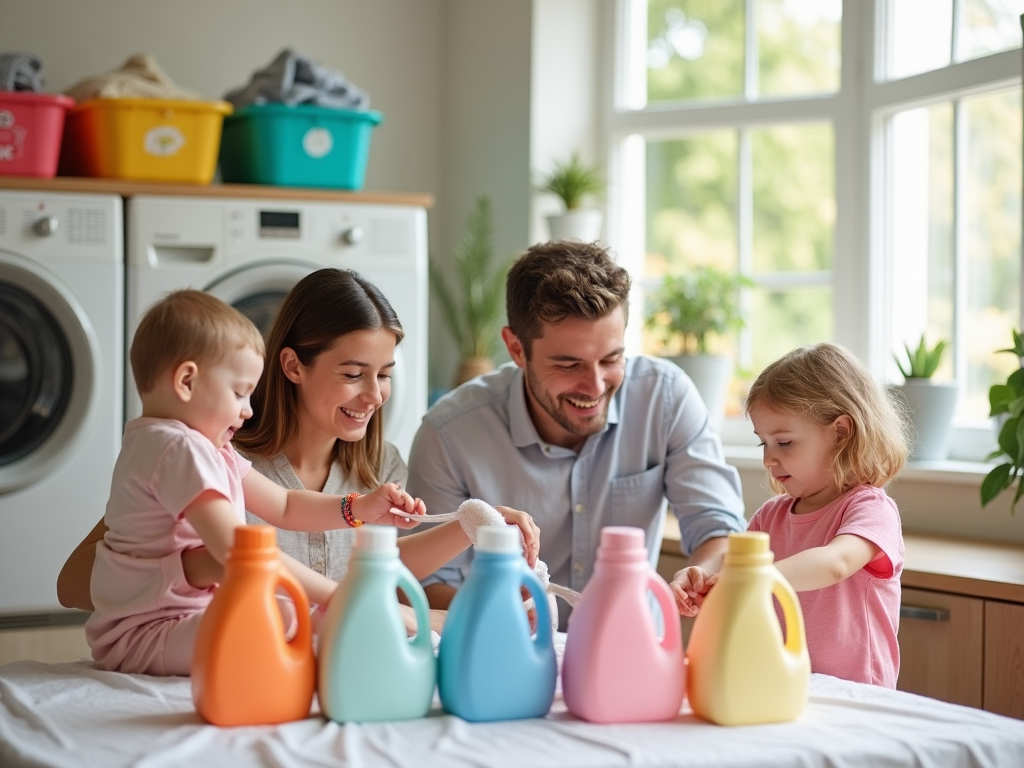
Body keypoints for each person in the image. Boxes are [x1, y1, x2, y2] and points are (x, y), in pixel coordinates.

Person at [58, 270, 539, 634]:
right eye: (353, 374)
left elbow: (376, 570)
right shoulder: (213, 454)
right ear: (292, 366)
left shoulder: (379, 466)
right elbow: (74, 583)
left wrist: (472, 523)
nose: (375, 395)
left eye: (385, 373)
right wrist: (197, 566)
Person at [406, 240, 746, 627]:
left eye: (611, 359)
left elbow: (719, 529)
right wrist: (505, 608)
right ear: (516, 349)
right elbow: (424, 584)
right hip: (504, 652)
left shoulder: (666, 397)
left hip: (630, 653)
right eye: (569, 364)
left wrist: (700, 574)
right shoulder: (450, 434)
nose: (596, 385)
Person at [86, 290, 424, 675]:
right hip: (148, 634)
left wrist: (358, 508)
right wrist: (339, 595)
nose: (248, 410)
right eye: (239, 393)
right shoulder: (177, 449)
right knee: (277, 619)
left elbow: (284, 506)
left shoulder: (207, 448)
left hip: (184, 616)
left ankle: (333, 640)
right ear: (186, 381)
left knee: (284, 614)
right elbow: (238, 555)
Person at [670, 343, 909, 688]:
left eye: (783, 443)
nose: (769, 459)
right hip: (783, 684)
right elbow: (730, 562)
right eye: (762, 443)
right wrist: (700, 576)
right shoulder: (771, 516)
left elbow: (836, 562)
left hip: (855, 692)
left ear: (841, 433)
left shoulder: (870, 509)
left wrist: (755, 575)